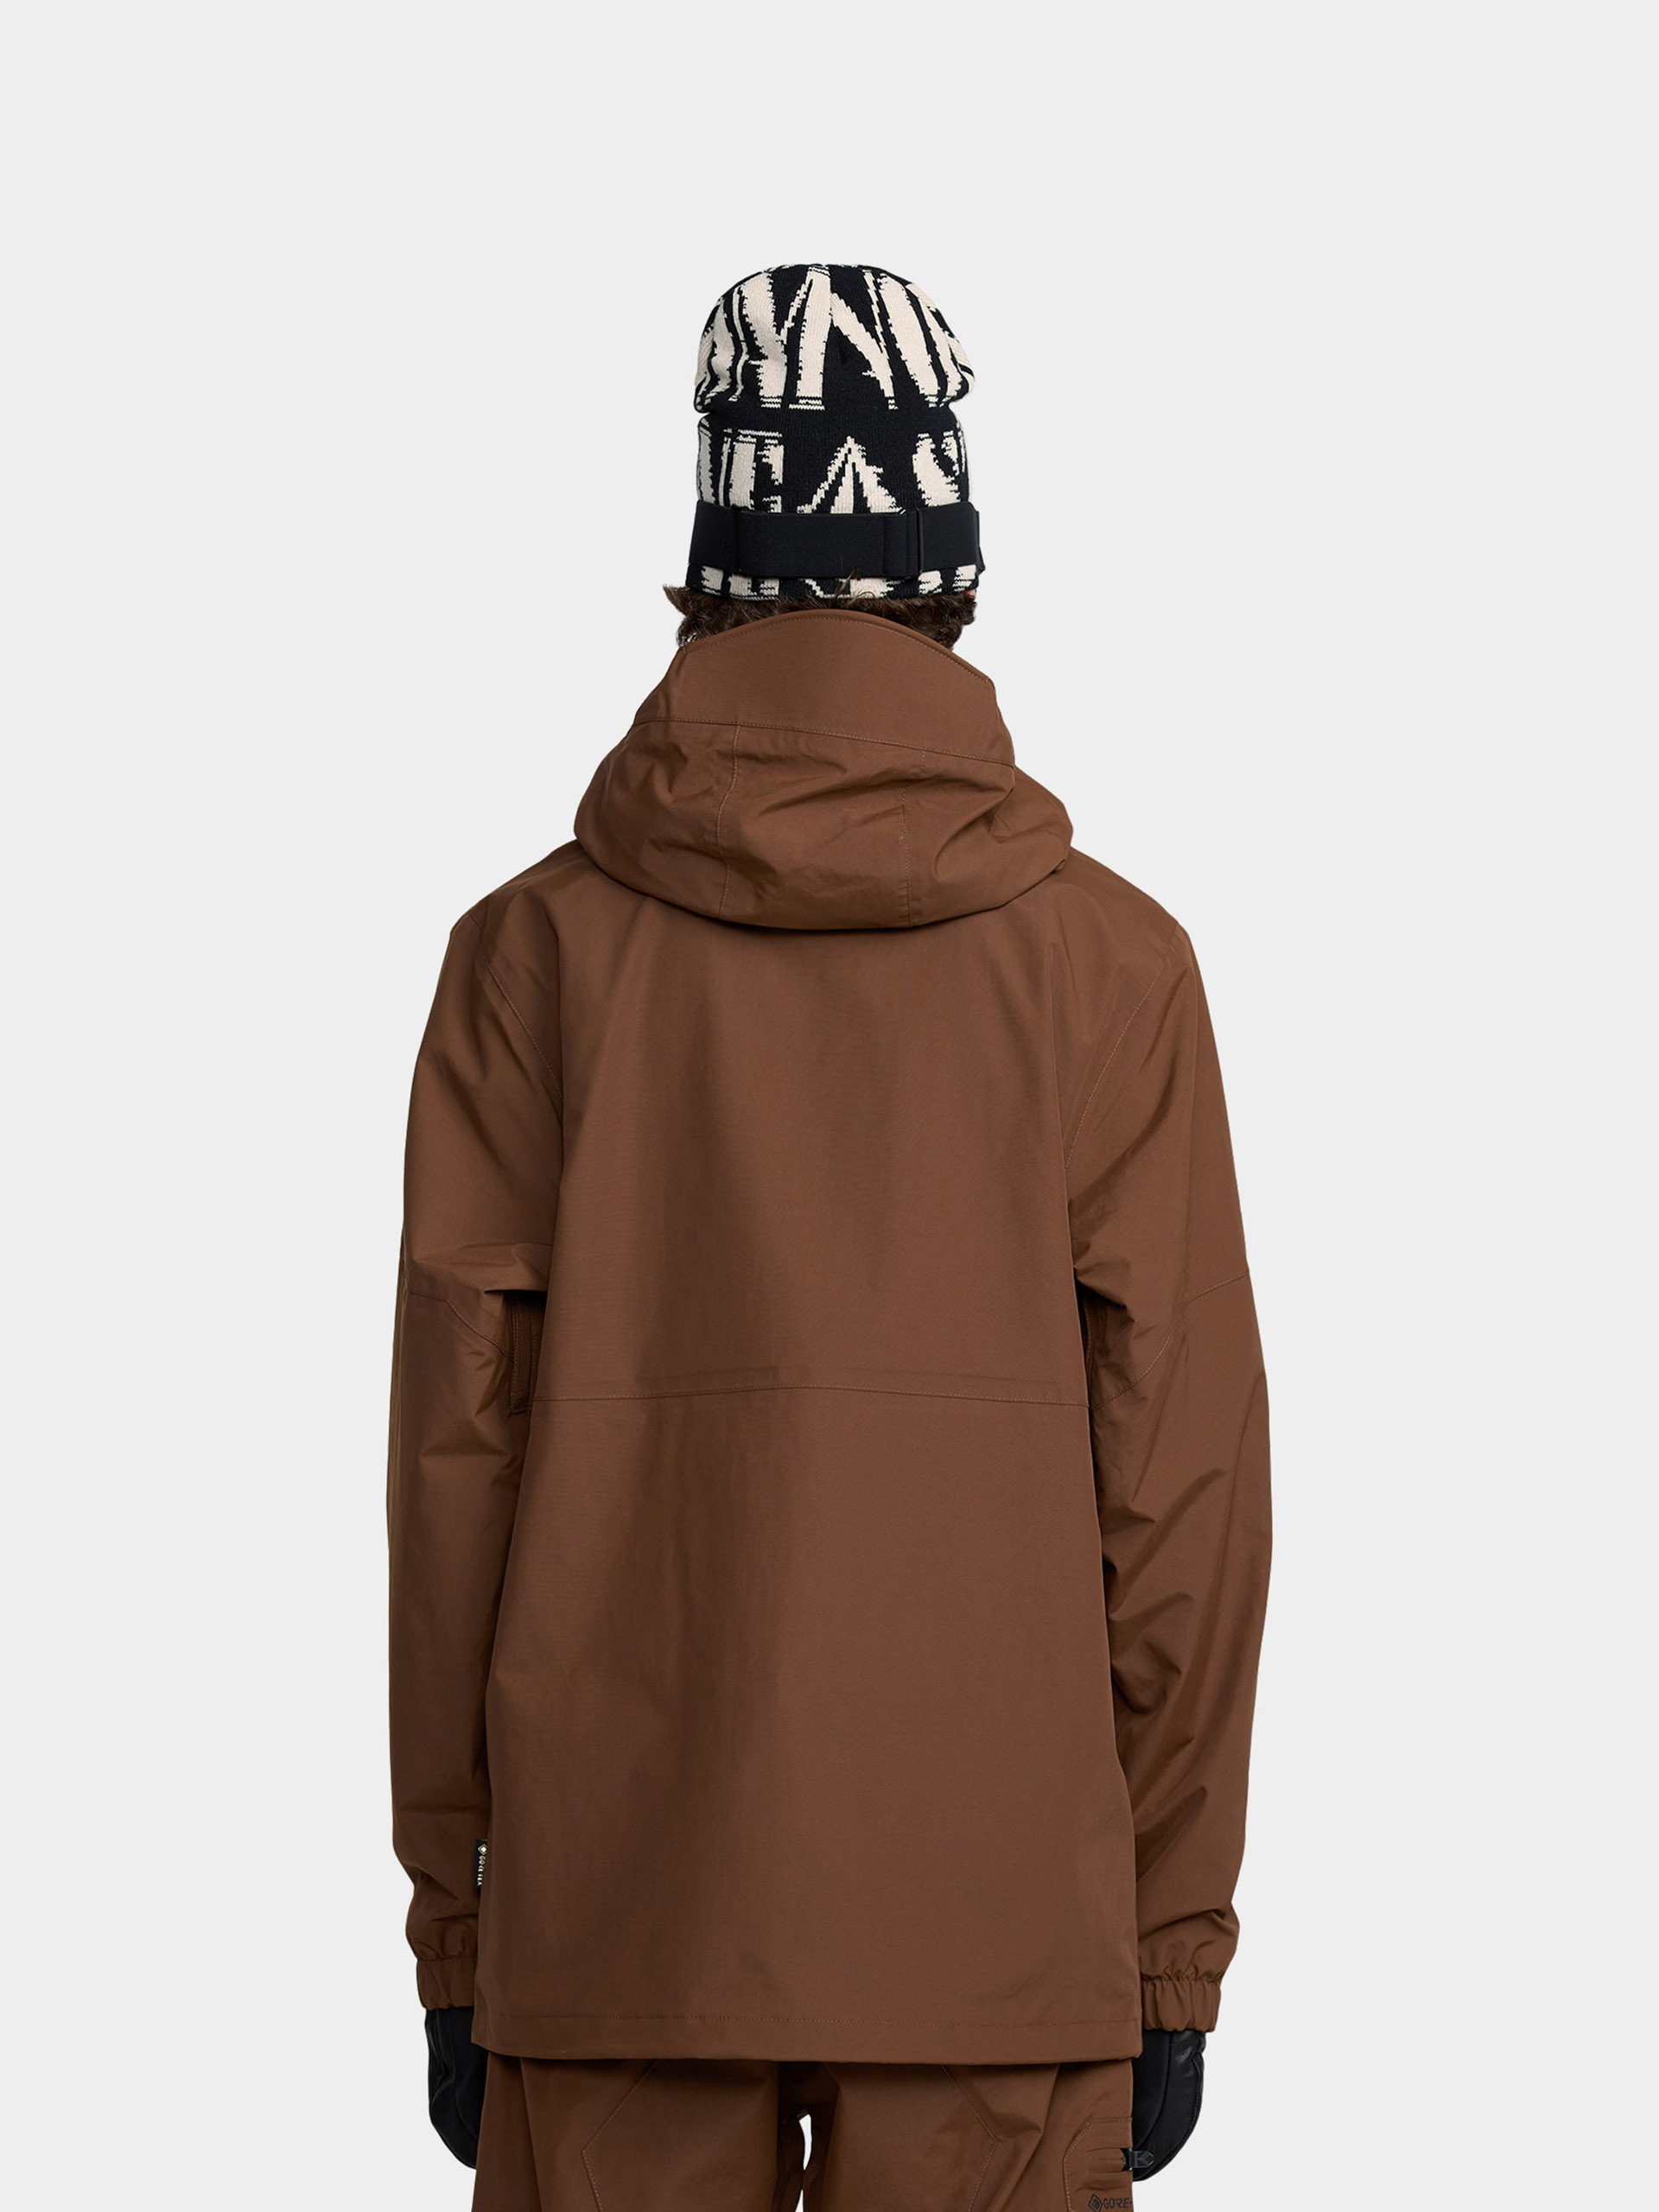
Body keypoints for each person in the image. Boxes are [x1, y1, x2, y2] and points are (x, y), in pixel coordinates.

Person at [390, 264, 1271, 2209]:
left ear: (711, 551)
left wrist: (461, 1917)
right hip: (995, 1911)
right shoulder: (1111, 967)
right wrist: (1167, 1939)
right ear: (951, 560)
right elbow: (1185, 1484)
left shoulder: (531, 955)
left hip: (618, 1904)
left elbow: (456, 1469)